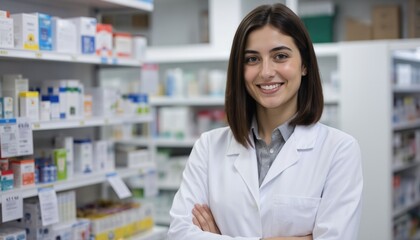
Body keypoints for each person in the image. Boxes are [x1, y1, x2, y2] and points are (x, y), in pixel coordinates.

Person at [167, 3, 363, 240]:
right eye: (252, 59)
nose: (266, 72)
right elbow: (179, 234)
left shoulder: (339, 150)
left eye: (280, 56)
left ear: (304, 65)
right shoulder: (208, 147)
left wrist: (220, 236)